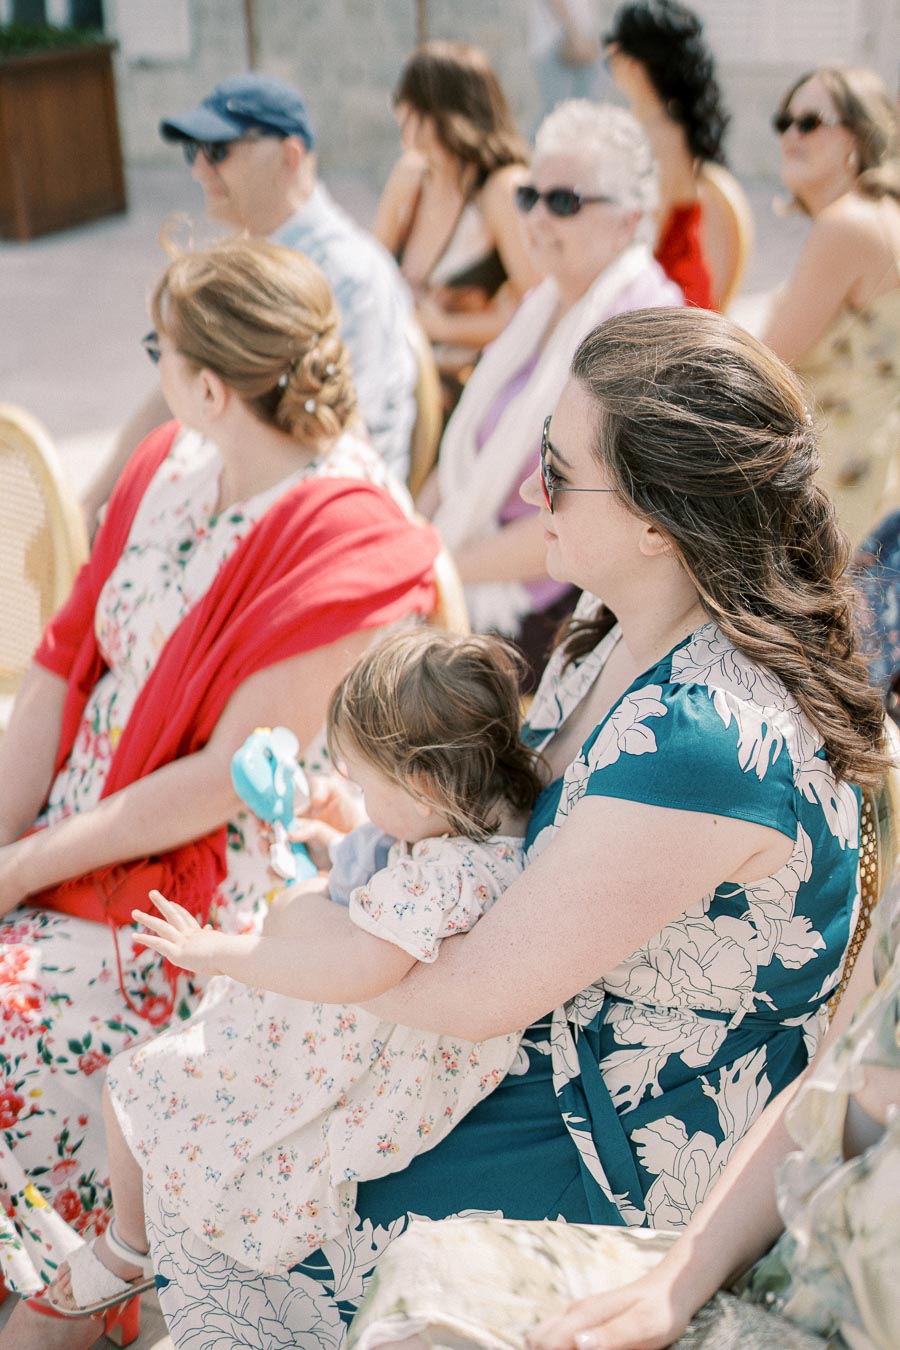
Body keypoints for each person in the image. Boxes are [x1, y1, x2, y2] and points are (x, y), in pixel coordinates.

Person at [128, 307, 886, 1349]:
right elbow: (514, 841)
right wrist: (366, 827)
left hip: (614, 1138)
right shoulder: (616, 632)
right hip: (549, 1053)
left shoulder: (708, 737)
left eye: (559, 470)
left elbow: (476, 995)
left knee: (253, 1157)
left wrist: (295, 942)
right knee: (218, 1086)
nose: (532, 490)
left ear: (661, 520)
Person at [0, 238, 439, 1345]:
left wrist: (22, 869)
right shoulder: (167, 467)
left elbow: (219, 786)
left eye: (162, 351)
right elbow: (60, 669)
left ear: (208, 383)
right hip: (75, 830)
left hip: (189, 893)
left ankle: (64, 1298)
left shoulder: (350, 529)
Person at [22, 630, 544, 1344]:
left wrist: (223, 950)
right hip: (346, 1017)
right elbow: (399, 854)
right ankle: (133, 1243)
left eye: (366, 784)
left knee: (144, 1084)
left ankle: (130, 1246)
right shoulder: (474, 825)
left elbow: (359, 970)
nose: (360, 797)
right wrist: (344, 821)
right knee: (148, 1084)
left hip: (362, 1053)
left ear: (422, 786)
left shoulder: (449, 875)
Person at [347, 873, 900, 1350]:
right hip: (787, 1269)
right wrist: (674, 1286)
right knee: (432, 1275)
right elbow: (815, 1098)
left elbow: (481, 991)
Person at [419, 100, 682, 681]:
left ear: (628, 218)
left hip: (564, 610)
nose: (537, 218)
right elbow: (467, 448)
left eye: (564, 202)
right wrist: (413, 540)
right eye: (528, 197)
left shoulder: (641, 328)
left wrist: (434, 568)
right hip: (473, 570)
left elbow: (585, 517)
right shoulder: (544, 304)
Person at [82, 73, 417, 525]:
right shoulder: (253, 256)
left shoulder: (347, 274)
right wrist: (92, 500)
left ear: (290, 155)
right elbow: (176, 383)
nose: (199, 169)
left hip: (317, 515)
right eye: (193, 151)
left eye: (218, 150)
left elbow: (344, 440)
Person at [762, 65, 900, 550]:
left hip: (841, 490)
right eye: (784, 122)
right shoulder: (878, 217)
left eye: (811, 121)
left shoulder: (846, 226)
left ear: (859, 135)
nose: (790, 136)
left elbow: (765, 363)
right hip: (874, 473)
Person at [373, 41, 541, 398]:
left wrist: (444, 327)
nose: (399, 113)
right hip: (401, 373)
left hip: (470, 386)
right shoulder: (412, 176)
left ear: (441, 111)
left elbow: (538, 310)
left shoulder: (501, 189)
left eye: (409, 101)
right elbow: (370, 273)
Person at [603, 0, 732, 308]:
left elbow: (645, 239)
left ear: (633, 63)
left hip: (668, 301)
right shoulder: (659, 128)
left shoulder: (660, 138)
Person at [527, 0, 605, 125]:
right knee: (557, 114)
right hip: (557, 45)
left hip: (582, 42)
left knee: (585, 115)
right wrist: (575, 36)